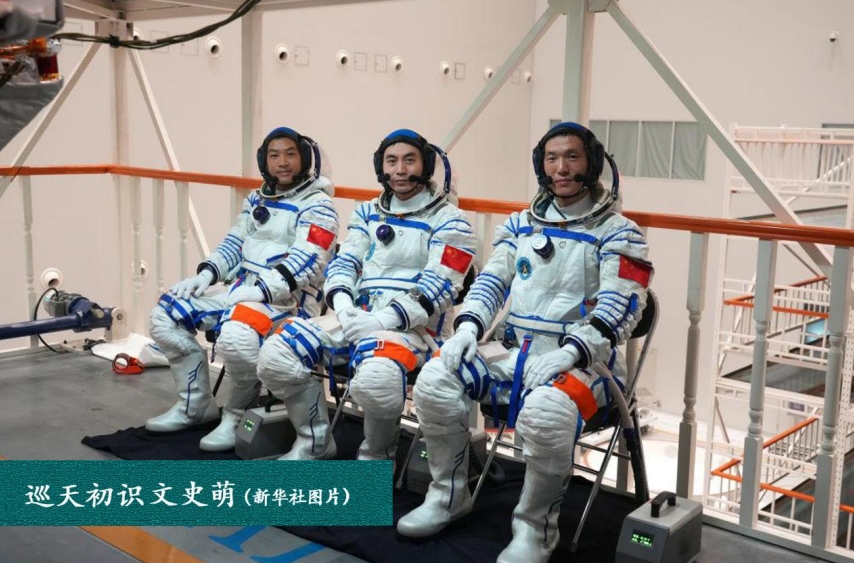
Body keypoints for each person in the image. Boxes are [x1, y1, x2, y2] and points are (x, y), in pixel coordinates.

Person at [396, 122, 653, 563]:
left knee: (547, 411)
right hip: (515, 352)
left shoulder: (620, 232)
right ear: (541, 165)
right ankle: (448, 495)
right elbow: (491, 283)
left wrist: (571, 352)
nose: (561, 168)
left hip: (588, 363)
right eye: (552, 158)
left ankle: (535, 529)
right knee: (436, 379)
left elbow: (622, 305)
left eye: (572, 157)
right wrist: (468, 328)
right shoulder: (520, 225)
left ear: (592, 163)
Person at [256, 129, 477, 462]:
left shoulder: (452, 221)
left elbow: (438, 285)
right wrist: (344, 306)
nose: (400, 170)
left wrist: (382, 320)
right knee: (278, 353)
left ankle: (376, 458)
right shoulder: (367, 213)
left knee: (376, 377)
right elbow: (345, 262)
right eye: (392, 161)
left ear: (426, 165)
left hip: (416, 330)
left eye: (409, 160)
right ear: (381, 167)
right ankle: (314, 441)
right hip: (357, 318)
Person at [145, 127, 338, 453]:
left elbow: (308, 260)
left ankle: (235, 415)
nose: (282, 162)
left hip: (288, 301)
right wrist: (207, 274)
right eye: (274, 155)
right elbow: (235, 243)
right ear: (265, 161)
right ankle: (195, 405)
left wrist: (263, 290)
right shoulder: (259, 199)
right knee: (167, 313)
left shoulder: (319, 206)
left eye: (290, 154)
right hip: (242, 291)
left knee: (237, 334)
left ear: (306, 159)